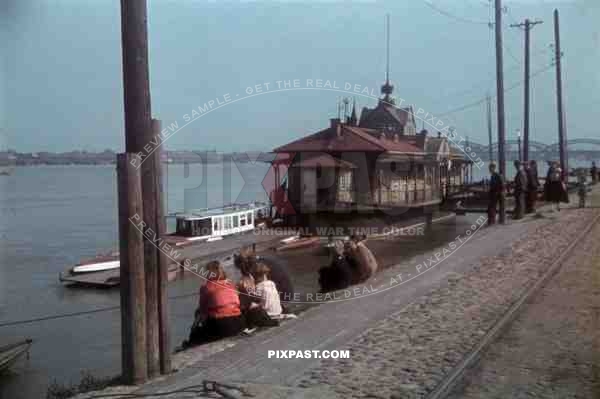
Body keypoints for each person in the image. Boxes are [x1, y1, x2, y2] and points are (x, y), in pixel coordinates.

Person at [185, 261, 244, 347]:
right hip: (238, 322)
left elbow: (202, 310)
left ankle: (191, 341)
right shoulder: (230, 284)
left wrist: (196, 325)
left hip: (220, 324)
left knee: (198, 314)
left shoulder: (206, 287)